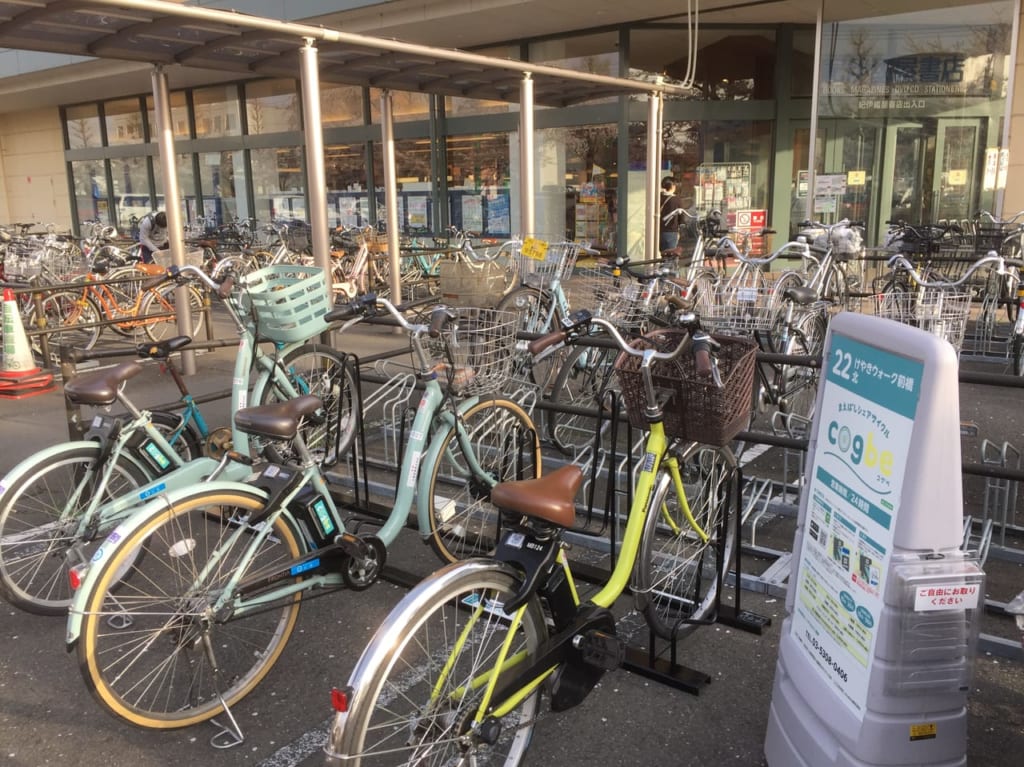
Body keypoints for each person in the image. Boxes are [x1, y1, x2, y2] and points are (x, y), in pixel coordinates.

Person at [659, 177, 685, 254]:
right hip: (671, 231)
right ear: (673, 186)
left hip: (657, 230)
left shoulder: (658, 197)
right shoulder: (676, 200)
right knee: (671, 254)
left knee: (661, 253)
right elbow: (681, 217)